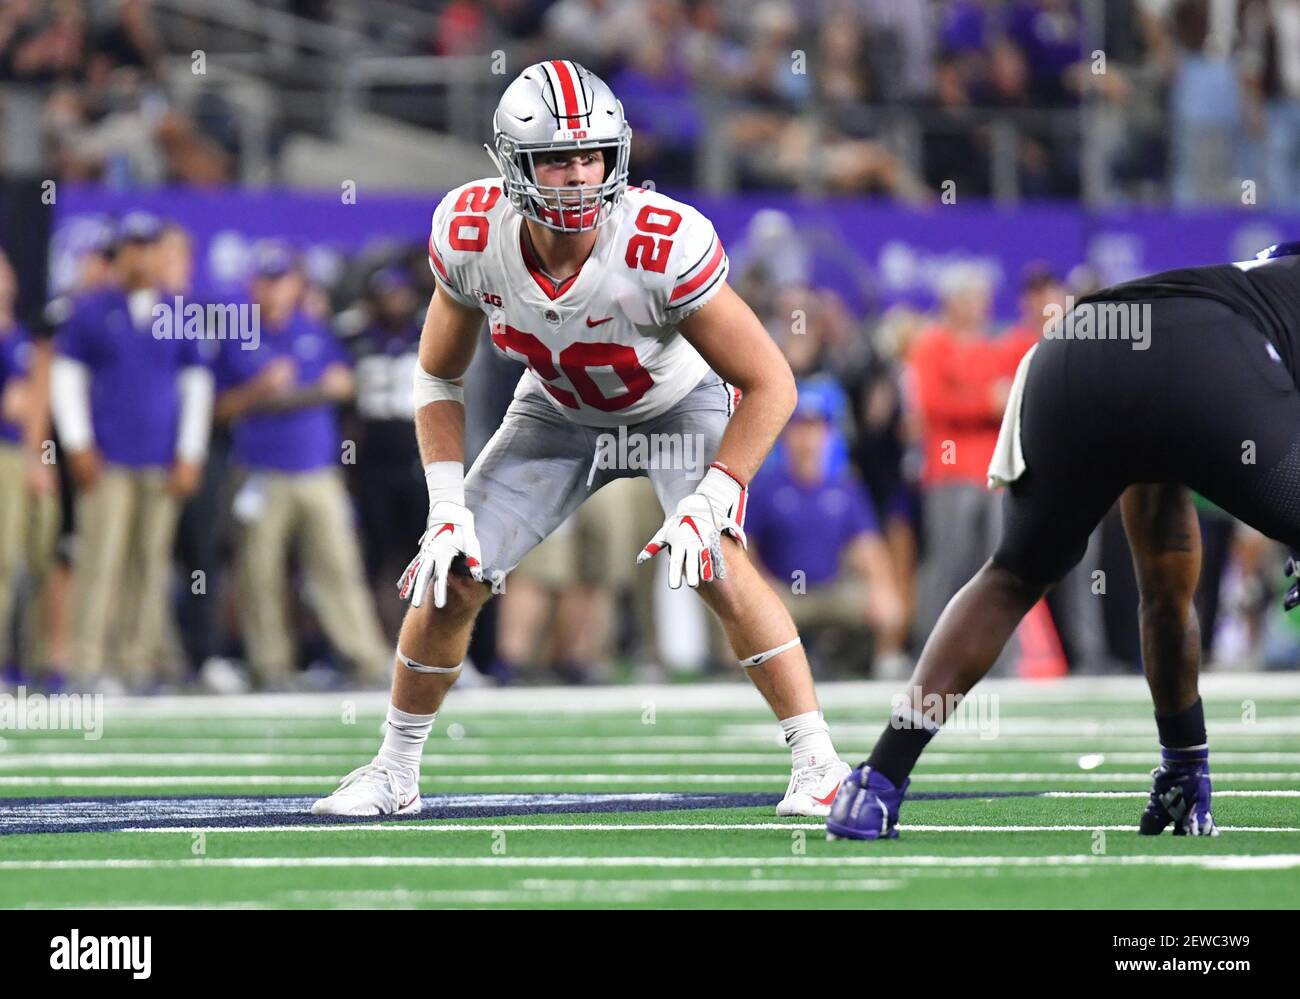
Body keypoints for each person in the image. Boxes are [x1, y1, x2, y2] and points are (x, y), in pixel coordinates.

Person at [313, 60, 849, 818]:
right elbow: (437, 377)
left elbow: (773, 382)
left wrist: (716, 494)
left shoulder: (659, 242)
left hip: (674, 407)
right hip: (558, 413)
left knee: (716, 562)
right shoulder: (472, 234)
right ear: (513, 165)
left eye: (591, 154)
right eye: (558, 158)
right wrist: (445, 505)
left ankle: (819, 763)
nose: (578, 173)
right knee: (454, 572)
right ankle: (394, 771)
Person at [827, 241, 1300, 840]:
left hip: (1077, 346)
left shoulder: (1256, 277)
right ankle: (1182, 772)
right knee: (1150, 581)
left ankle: (876, 783)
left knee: (1023, 575)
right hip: (1204, 355)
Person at [212, 242, 390, 689]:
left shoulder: (313, 330)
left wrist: (282, 396)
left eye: (281, 280)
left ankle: (365, 659)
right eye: (266, 281)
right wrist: (262, 392)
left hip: (317, 470)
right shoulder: (238, 335)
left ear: (295, 285)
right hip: (260, 470)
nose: (274, 290)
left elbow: (344, 385)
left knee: (338, 568)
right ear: (253, 285)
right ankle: (270, 665)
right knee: (259, 573)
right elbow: (220, 408)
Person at [50, 212, 212, 691]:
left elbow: (197, 388)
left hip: (161, 457)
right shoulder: (90, 310)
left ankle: (137, 662)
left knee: (150, 561)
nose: (139, 257)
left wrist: (189, 453)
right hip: (110, 456)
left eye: (147, 247)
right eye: (130, 248)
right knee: (101, 559)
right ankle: (86, 662)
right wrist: (78, 444)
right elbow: (67, 381)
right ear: (117, 255)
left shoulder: (179, 313)